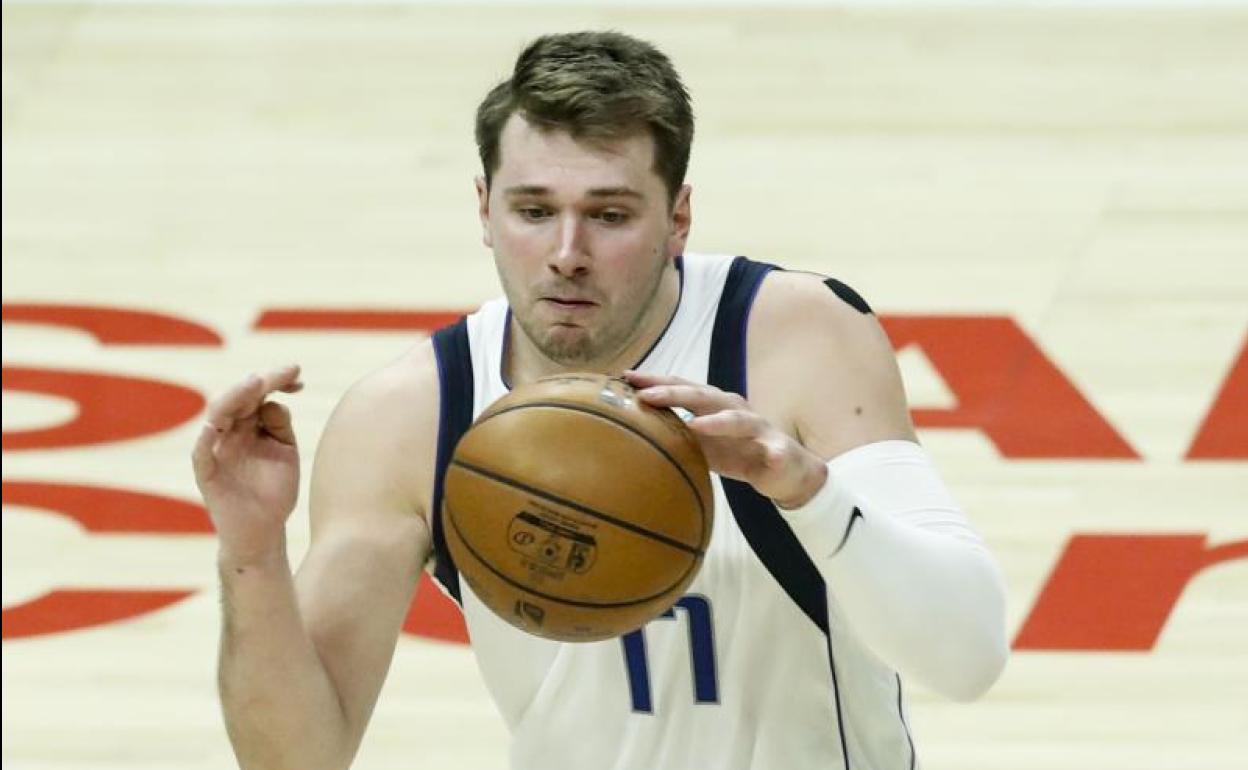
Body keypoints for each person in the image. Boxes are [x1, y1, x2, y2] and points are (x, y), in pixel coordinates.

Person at [192, 31, 1008, 770]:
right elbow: (295, 761)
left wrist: (800, 482)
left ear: (678, 215)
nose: (567, 255)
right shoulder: (409, 415)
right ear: (484, 210)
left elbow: (965, 658)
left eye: (609, 215)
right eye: (534, 211)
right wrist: (252, 550)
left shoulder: (796, 337)